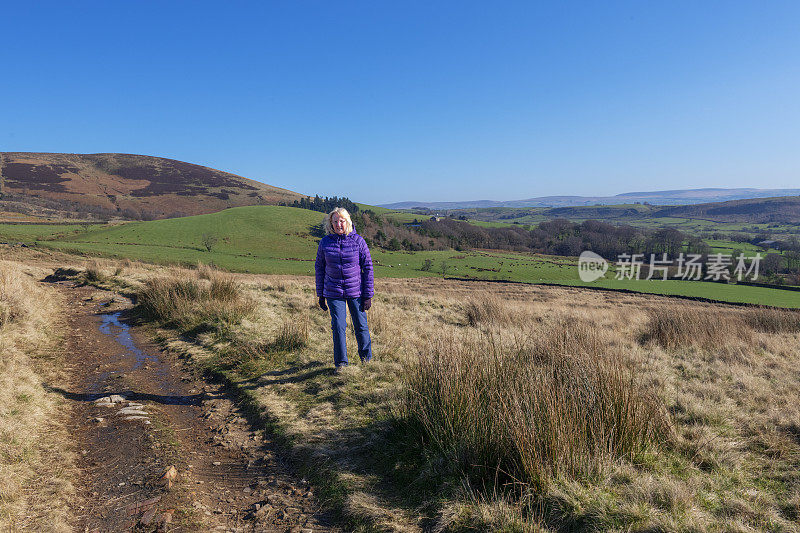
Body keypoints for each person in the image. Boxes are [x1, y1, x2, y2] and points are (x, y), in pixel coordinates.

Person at [315, 207, 374, 372]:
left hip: (356, 292)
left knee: (361, 326)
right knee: (339, 326)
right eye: (335, 221)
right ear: (331, 224)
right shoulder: (325, 242)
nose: (338, 224)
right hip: (333, 292)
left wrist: (368, 295)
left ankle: (367, 360)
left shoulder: (358, 241)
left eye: (342, 221)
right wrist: (320, 294)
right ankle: (341, 364)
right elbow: (319, 268)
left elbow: (368, 267)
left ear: (347, 222)